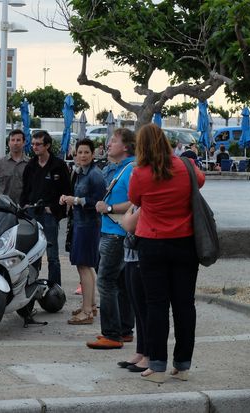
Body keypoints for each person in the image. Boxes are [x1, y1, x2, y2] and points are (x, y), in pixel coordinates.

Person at [128, 123, 204, 383]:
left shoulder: (140, 173)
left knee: (156, 305)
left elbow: (135, 199)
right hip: (185, 243)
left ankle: (157, 367)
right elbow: (201, 182)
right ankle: (182, 366)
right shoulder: (186, 166)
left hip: (152, 244)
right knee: (185, 305)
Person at [86, 128, 135, 350]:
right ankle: (124, 330)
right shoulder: (120, 168)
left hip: (117, 233)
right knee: (121, 283)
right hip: (113, 231)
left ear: (125, 146)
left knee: (106, 281)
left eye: (113, 141)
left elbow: (136, 201)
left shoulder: (131, 169)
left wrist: (109, 207)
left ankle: (112, 334)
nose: (108, 144)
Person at [60, 139, 105, 325]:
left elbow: (99, 202)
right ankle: (90, 305)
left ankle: (87, 311)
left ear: (93, 154)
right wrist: (69, 199)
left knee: (84, 266)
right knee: (84, 266)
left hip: (89, 225)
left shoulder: (95, 175)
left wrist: (76, 200)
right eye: (80, 152)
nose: (83, 155)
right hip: (80, 224)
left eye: (87, 152)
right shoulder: (80, 173)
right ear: (75, 155)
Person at [20, 130, 71, 287]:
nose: (35, 147)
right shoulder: (30, 165)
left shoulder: (59, 165)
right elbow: (25, 190)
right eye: (33, 144)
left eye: (38, 144)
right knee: (31, 254)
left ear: (47, 145)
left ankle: (55, 289)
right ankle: (30, 286)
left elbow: (67, 191)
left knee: (53, 256)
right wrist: (25, 206)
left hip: (49, 215)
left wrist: (54, 210)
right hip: (32, 214)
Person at [117, 205, 149, 373]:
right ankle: (141, 351)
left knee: (144, 309)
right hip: (130, 255)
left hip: (141, 256)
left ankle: (148, 355)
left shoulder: (145, 201)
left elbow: (128, 224)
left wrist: (127, 215)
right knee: (137, 308)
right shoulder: (137, 202)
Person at [0, 129, 29, 204]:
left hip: (23, 207)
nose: (15, 143)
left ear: (24, 143)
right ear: (8, 143)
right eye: (12, 140)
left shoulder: (30, 164)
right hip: (4, 206)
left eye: (18, 140)